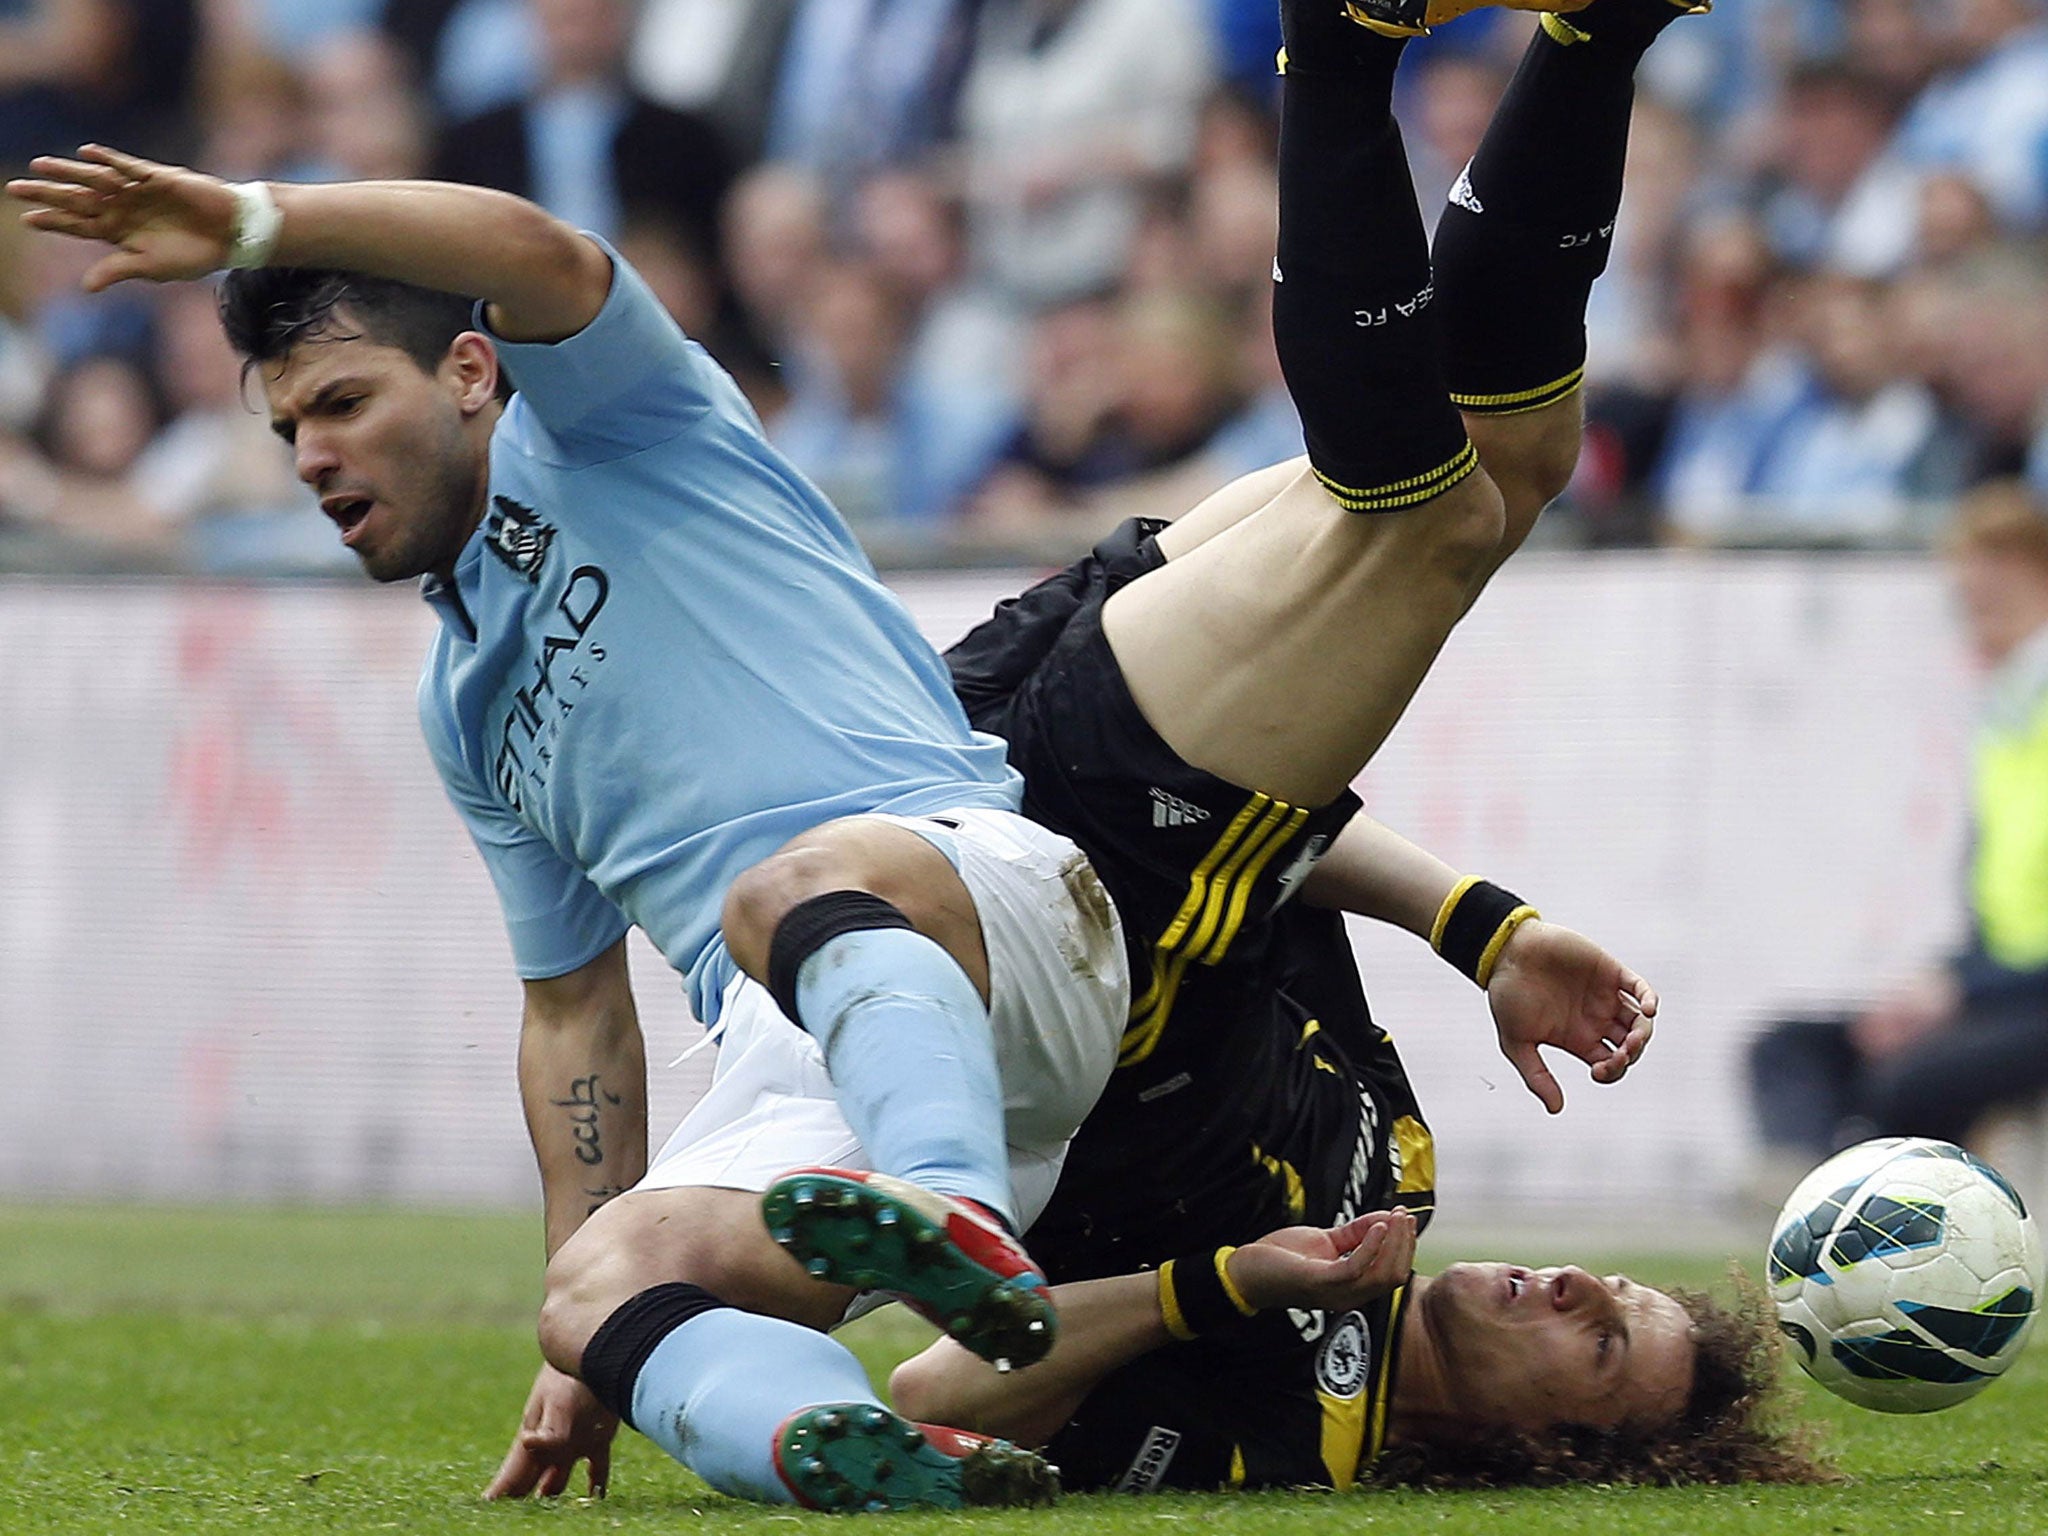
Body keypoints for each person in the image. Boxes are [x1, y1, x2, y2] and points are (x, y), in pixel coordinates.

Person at [8, 0, 1707, 1512]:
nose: (311, 456)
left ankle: (1342, 43)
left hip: (990, 841)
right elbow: (573, 1017)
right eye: (286, 428)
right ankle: (841, 1459)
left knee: (1422, 515)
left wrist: (250, 213)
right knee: (604, 1283)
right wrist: (581, 1338)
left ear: (467, 374)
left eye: (341, 405)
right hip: (865, 986)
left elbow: (527, 244)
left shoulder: (615, 428)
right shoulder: (464, 706)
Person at [1749, 481, 2048, 1167]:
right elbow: (2004, 911)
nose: (1978, 606)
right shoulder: (2005, 722)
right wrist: (1942, 983)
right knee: (1790, 1048)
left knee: (1908, 1080)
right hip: (2004, 987)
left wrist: (1959, 990)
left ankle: (1873, 1220)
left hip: (2025, 997)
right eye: (1970, 593)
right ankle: (1809, 1202)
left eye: (1999, 587)